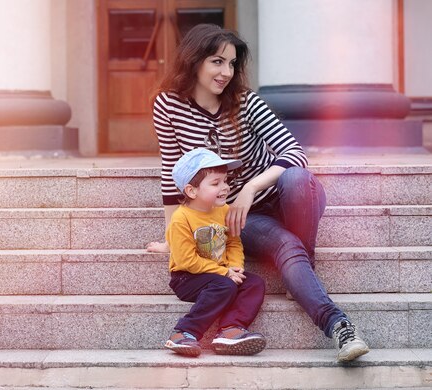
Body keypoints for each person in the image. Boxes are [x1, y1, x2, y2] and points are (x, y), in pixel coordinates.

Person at [147, 23, 369, 362]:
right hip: (238, 217)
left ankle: (302, 265)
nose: (226, 72)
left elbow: (295, 153)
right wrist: (172, 235)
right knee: (285, 244)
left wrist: (251, 186)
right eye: (217, 62)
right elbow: (171, 174)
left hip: (282, 197)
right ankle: (339, 326)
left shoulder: (246, 102)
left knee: (298, 179)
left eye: (232, 63)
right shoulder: (168, 105)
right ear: (194, 60)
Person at [164, 147, 266, 357]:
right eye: (215, 183)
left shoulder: (225, 210)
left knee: (255, 283)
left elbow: (233, 242)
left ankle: (230, 330)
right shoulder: (181, 219)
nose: (225, 187)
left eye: (225, 181)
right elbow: (186, 260)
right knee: (225, 285)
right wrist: (224, 273)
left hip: (220, 274)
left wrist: (235, 267)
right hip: (187, 278)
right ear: (192, 191)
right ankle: (184, 332)